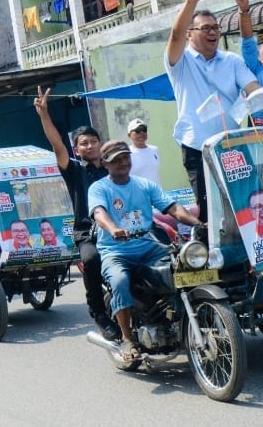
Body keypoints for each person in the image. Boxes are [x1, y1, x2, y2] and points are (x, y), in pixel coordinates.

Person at [165, 0, 263, 220]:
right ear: (191, 34)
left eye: (216, 28)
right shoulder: (180, 62)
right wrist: (191, 1)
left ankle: (245, 260)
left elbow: (255, 91)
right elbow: (175, 34)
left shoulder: (231, 61)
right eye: (205, 28)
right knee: (209, 213)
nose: (212, 32)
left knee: (242, 205)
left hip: (232, 145)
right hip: (197, 147)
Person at [89, 140, 204, 361]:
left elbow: (173, 208)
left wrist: (198, 224)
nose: (123, 162)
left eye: (126, 157)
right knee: (120, 281)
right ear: (105, 164)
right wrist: (113, 229)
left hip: (149, 246)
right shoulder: (99, 188)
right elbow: (99, 213)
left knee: (182, 267)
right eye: (117, 160)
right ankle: (127, 338)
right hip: (116, 251)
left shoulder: (144, 184)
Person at [34, 86, 117, 340]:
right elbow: (56, 143)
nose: (90, 145)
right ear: (77, 148)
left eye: (93, 141)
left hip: (118, 227)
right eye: (84, 143)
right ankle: (99, 312)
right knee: (91, 260)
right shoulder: (74, 170)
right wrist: (44, 114)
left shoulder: (114, 168)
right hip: (88, 231)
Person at [126, 118, 160, 184]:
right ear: (129, 135)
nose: (141, 133)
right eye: (137, 131)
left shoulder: (154, 150)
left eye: (144, 130)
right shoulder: (126, 153)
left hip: (156, 193)